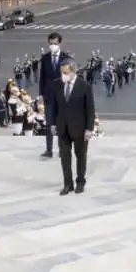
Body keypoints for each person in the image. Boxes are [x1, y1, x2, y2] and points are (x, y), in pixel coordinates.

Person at [50, 59, 95, 196]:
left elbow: (90, 109)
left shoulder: (84, 86)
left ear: (73, 71)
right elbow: (53, 106)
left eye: (66, 72)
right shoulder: (57, 84)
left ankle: (80, 182)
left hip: (80, 128)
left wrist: (89, 128)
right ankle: (67, 184)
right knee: (64, 157)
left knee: (81, 156)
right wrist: (52, 123)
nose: (63, 75)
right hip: (63, 127)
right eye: (62, 72)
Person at [38, 32, 70, 159]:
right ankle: (49, 149)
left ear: (60, 43)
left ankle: (62, 149)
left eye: (55, 43)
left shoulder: (66, 58)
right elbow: (42, 77)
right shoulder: (45, 58)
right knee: (49, 123)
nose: (53, 45)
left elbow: (69, 77)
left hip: (62, 95)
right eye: (51, 43)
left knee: (62, 123)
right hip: (49, 95)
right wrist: (41, 93)